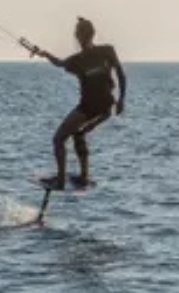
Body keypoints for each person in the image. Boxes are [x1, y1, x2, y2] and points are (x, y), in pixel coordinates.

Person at [25, 17, 126, 191]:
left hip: (93, 107)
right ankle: (84, 177)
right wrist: (45, 54)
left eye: (79, 34)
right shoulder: (81, 58)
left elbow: (120, 74)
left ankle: (61, 181)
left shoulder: (103, 52)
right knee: (78, 134)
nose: (79, 38)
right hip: (102, 107)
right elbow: (60, 63)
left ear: (81, 36)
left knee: (58, 139)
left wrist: (121, 99)